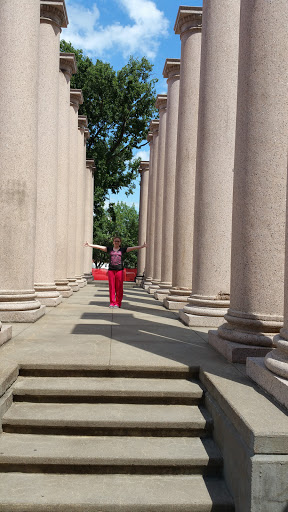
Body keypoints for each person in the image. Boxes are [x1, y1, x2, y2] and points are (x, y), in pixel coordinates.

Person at [84, 237, 147, 308]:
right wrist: (90, 245)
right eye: (115, 241)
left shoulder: (122, 250)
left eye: (118, 241)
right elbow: (100, 247)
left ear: (120, 243)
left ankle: (118, 303)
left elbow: (132, 248)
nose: (116, 242)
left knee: (119, 287)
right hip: (111, 270)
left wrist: (142, 246)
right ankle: (112, 302)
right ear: (113, 242)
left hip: (119, 270)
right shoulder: (109, 249)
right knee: (111, 287)